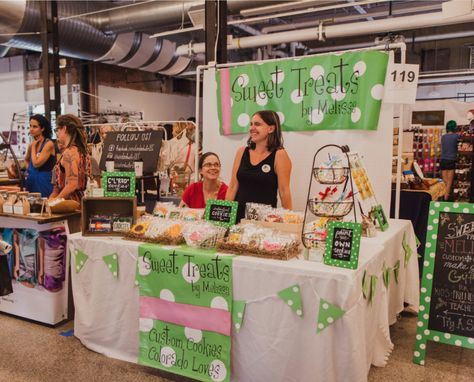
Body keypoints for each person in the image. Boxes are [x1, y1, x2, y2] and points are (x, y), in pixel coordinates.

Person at [226, 110, 292, 221]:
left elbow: (284, 191)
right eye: (251, 124)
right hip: (238, 218)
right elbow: (232, 186)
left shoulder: (280, 155)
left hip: (264, 221)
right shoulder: (241, 152)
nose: (252, 128)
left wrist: (289, 221)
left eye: (257, 124)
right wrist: (224, 216)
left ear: (271, 129)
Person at [50, 114, 91, 203]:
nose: (57, 133)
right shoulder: (82, 152)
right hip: (82, 202)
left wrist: (55, 201)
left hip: (70, 204)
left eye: (57, 130)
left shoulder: (69, 153)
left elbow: (72, 184)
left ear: (64, 129)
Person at [24, 114, 56, 197]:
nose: (31, 129)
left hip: (44, 182)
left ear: (42, 128)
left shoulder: (48, 144)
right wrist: (29, 170)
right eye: (30, 126)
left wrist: (34, 146)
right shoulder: (31, 145)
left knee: (44, 206)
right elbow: (26, 160)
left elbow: (36, 163)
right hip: (31, 181)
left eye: (35, 127)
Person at [440, 120, 460, 201]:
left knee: (445, 182)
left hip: (443, 160)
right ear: (454, 127)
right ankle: (446, 199)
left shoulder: (443, 137)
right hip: (451, 160)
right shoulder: (456, 136)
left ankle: (443, 197)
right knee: (449, 182)